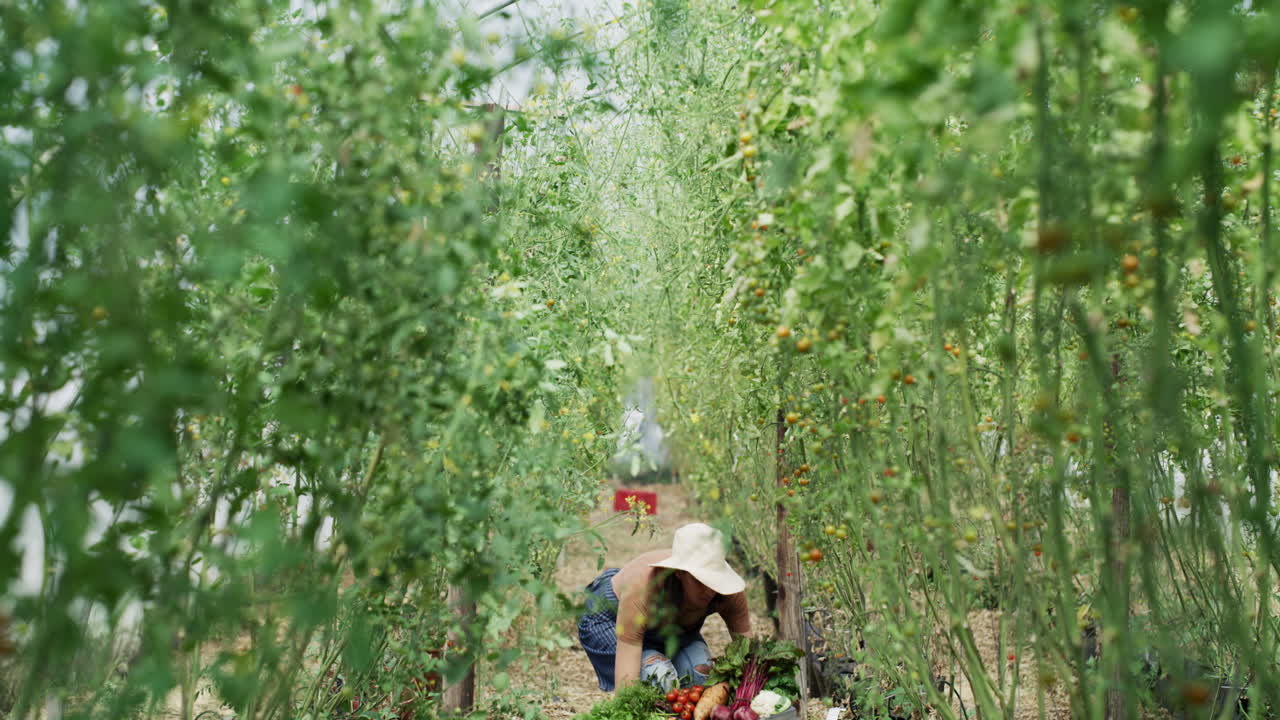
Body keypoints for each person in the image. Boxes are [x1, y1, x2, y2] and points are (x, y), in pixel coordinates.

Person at [578, 523, 752, 691]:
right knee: (658, 677)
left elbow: (747, 651)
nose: (709, 588)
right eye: (701, 580)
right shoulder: (645, 586)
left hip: (666, 628)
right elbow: (627, 683)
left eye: (713, 579)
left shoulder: (727, 592)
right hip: (612, 618)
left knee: (701, 674)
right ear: (679, 572)